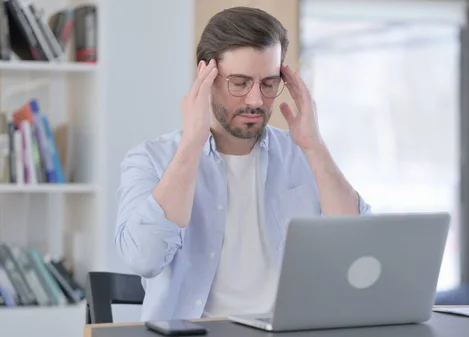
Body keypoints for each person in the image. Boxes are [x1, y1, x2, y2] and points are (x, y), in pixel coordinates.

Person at [114, 6, 372, 321]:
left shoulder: (301, 154)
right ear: (206, 76)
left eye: (268, 83)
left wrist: (314, 146)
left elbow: (360, 255)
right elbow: (145, 258)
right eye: (240, 82)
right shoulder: (151, 160)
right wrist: (191, 146)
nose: (255, 100)